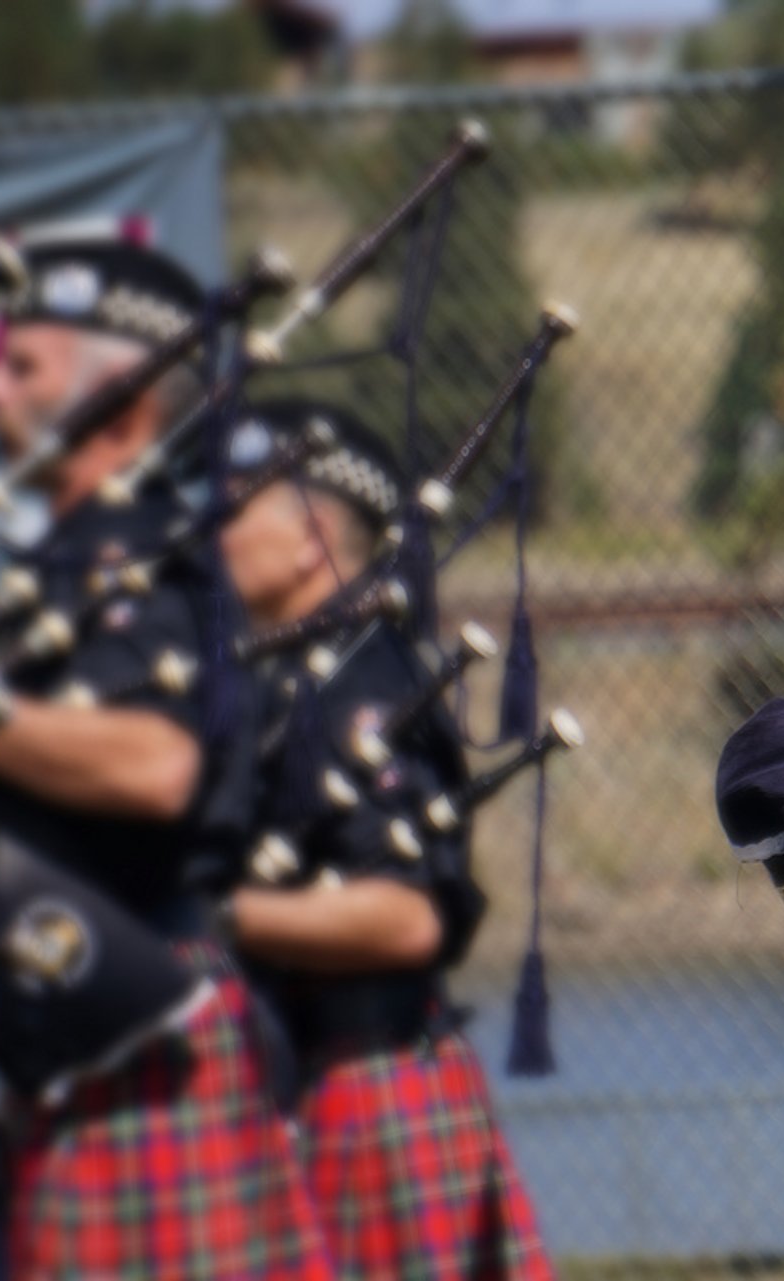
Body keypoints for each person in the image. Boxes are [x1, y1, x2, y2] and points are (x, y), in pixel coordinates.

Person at [0, 237, 331, 1277]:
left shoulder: (143, 551)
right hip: (71, 1014)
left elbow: (153, 765)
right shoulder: (69, 560)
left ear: (117, 405)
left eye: (22, 365)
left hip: (140, 1031)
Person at [214, 398, 552, 1280]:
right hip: (299, 1075)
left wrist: (212, 912)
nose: (205, 530)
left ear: (309, 537)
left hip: (361, 1087)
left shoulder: (359, 683)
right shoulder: (285, 677)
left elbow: (403, 918)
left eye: (232, 507)